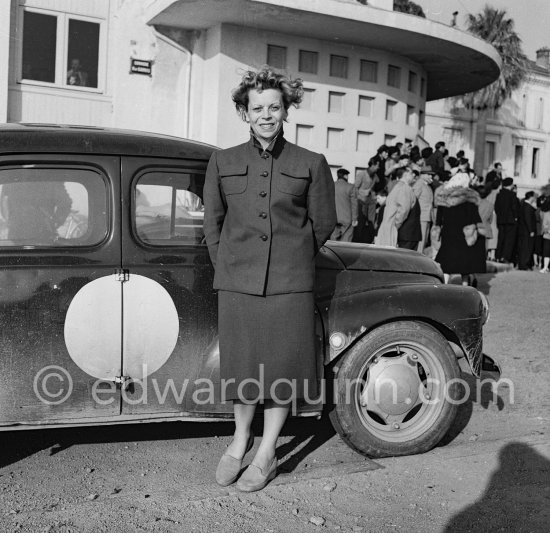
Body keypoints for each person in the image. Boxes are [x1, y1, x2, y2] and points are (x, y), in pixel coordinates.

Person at [203, 66, 336, 492]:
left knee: (280, 371)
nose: (265, 115)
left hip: (288, 284)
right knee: (244, 370)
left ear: (286, 110)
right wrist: (232, 265)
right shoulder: (222, 161)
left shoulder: (310, 163)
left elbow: (324, 223)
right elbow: (212, 225)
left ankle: (268, 452)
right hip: (238, 284)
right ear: (245, 112)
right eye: (257, 107)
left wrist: (290, 260)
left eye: (273, 107)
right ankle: (240, 440)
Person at [434, 174, 486, 286]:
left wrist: (438, 230)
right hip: (464, 232)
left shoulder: (444, 196)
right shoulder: (470, 197)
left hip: (448, 232)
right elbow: (475, 217)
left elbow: (438, 218)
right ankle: (465, 286)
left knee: (447, 261)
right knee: (464, 262)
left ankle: (444, 285)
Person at [0, 180, 72, 244]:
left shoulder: (12, 178)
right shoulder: (50, 179)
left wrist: (55, 222)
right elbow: (66, 203)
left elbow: (3, 204)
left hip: (22, 233)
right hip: (38, 233)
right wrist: (55, 222)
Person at [375, 167, 420, 249]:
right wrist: (396, 224)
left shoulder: (397, 187)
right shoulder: (404, 188)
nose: (413, 175)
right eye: (411, 173)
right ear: (405, 175)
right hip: (406, 233)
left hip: (402, 232)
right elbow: (404, 210)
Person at [494, 177, 519, 263]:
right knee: (509, 239)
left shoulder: (499, 194)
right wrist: (515, 217)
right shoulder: (512, 195)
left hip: (501, 219)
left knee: (501, 238)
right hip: (510, 220)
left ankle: (498, 255)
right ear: (510, 184)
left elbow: (496, 207)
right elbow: (514, 207)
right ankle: (505, 256)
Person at [331, 168, 357, 241]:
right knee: (345, 244)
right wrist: (355, 218)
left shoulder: (331, 185)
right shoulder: (351, 187)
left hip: (334, 218)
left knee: (333, 243)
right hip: (347, 219)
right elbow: (354, 204)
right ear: (345, 176)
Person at [413, 167, 434, 253]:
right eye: (428, 174)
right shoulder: (419, 184)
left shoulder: (426, 185)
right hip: (421, 217)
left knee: (424, 241)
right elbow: (413, 199)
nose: (430, 177)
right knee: (421, 242)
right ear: (423, 175)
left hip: (427, 217)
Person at [517, 191, 538, 270]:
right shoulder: (528, 207)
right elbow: (528, 219)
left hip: (523, 230)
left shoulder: (523, 205)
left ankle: (522, 264)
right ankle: (523, 264)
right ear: (531, 197)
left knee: (523, 247)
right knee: (526, 248)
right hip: (527, 231)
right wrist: (531, 230)